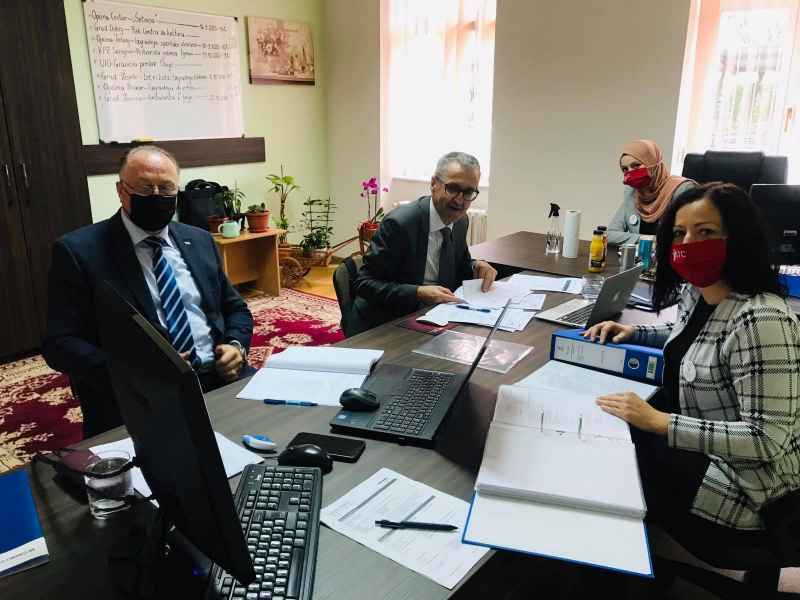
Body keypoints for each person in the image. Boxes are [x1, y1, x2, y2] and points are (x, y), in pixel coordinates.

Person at [584, 183, 800, 543]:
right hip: (704, 450)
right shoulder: (699, 292)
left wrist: (660, 422)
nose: (688, 244)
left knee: (607, 464)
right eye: (679, 233)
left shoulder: (762, 319)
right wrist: (635, 332)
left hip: (749, 489)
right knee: (607, 435)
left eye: (706, 232)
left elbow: (766, 440)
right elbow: (692, 335)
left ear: (738, 238)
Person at [42, 145, 255, 437]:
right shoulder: (79, 252)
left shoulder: (200, 240)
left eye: (166, 188)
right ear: (121, 191)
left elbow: (235, 309)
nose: (156, 196)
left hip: (219, 375)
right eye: (144, 188)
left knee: (281, 428)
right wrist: (138, 371)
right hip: (140, 392)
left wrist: (236, 345)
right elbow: (59, 343)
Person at [350, 151, 497, 335]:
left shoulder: (460, 221)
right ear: (434, 183)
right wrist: (418, 292)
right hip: (385, 321)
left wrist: (476, 265)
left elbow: (459, 263)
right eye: (453, 188)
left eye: (468, 192)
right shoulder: (400, 224)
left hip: (435, 314)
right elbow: (364, 283)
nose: (460, 199)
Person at [608, 139, 695, 246]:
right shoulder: (632, 191)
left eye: (636, 165)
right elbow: (610, 234)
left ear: (653, 163)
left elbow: (688, 237)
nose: (630, 172)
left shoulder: (682, 189)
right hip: (642, 256)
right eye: (625, 169)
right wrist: (649, 239)